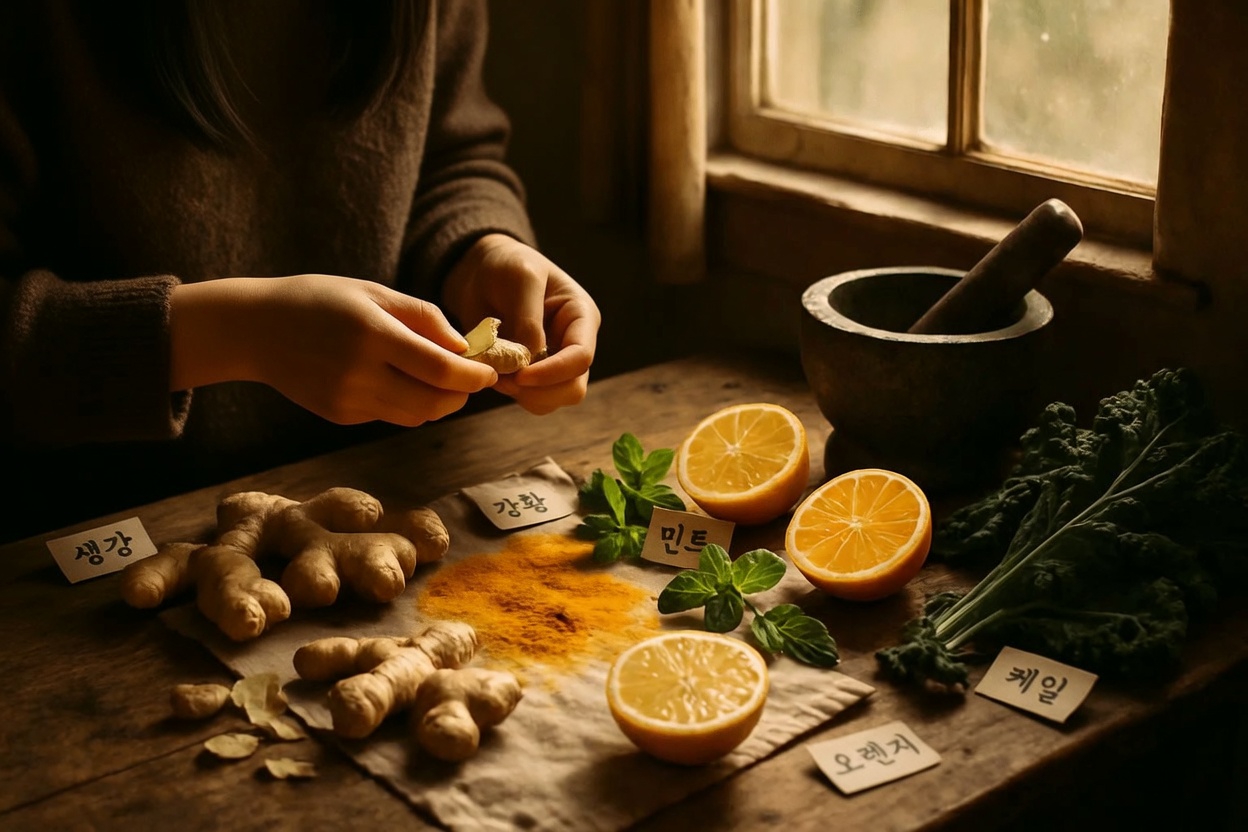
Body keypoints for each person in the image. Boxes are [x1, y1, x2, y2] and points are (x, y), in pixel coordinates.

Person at [0, 0, 600, 541]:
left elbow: (450, 153)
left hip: (393, 485)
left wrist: (480, 251)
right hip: (87, 523)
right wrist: (238, 335)